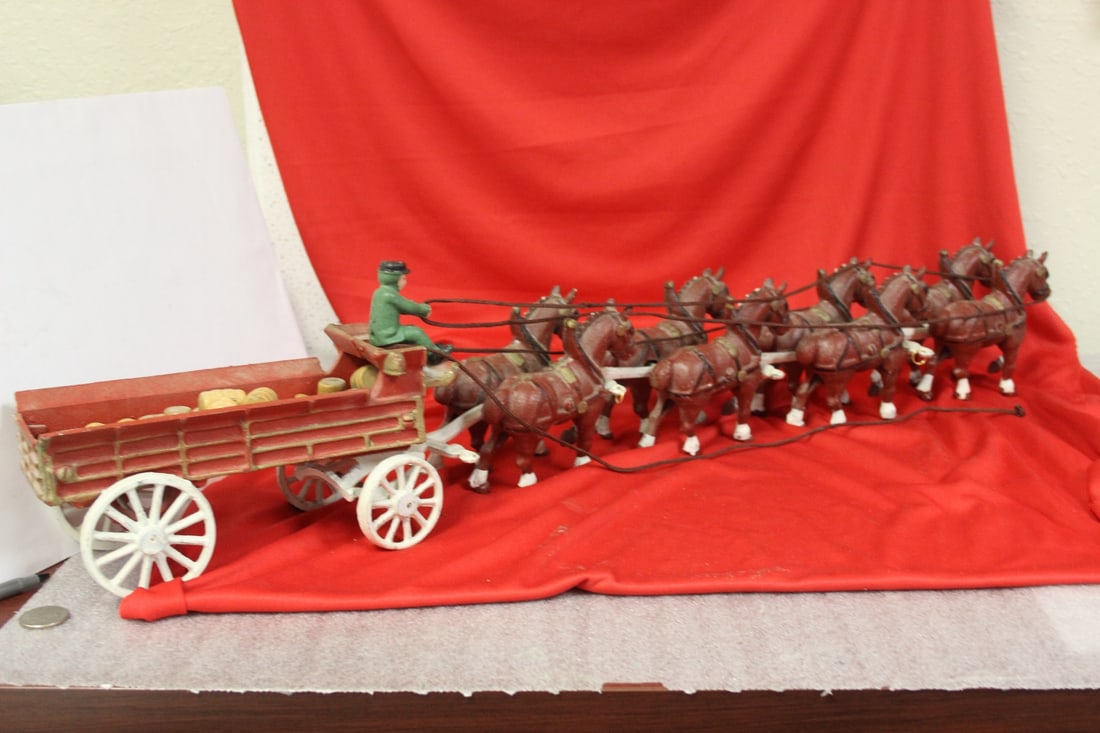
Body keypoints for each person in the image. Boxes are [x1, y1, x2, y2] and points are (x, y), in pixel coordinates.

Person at [368, 260, 452, 364]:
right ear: (395, 280)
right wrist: (424, 310)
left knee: (410, 329)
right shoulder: (390, 295)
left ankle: (431, 348)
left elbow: (403, 304)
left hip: (378, 335)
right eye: (403, 278)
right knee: (416, 332)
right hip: (388, 336)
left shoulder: (379, 292)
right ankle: (433, 355)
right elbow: (408, 307)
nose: (405, 281)